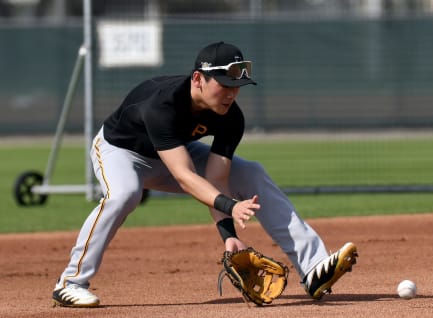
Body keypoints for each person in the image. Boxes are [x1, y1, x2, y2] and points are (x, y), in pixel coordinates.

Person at [52, 41, 358, 308]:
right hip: (121, 153)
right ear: (198, 79)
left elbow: (216, 179)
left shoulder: (230, 117)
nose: (231, 94)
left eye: (236, 86)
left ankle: (313, 267)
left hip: (176, 153)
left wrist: (229, 238)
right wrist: (231, 207)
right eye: (224, 84)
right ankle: (70, 283)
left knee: (250, 171)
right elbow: (185, 177)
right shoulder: (162, 105)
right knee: (125, 194)